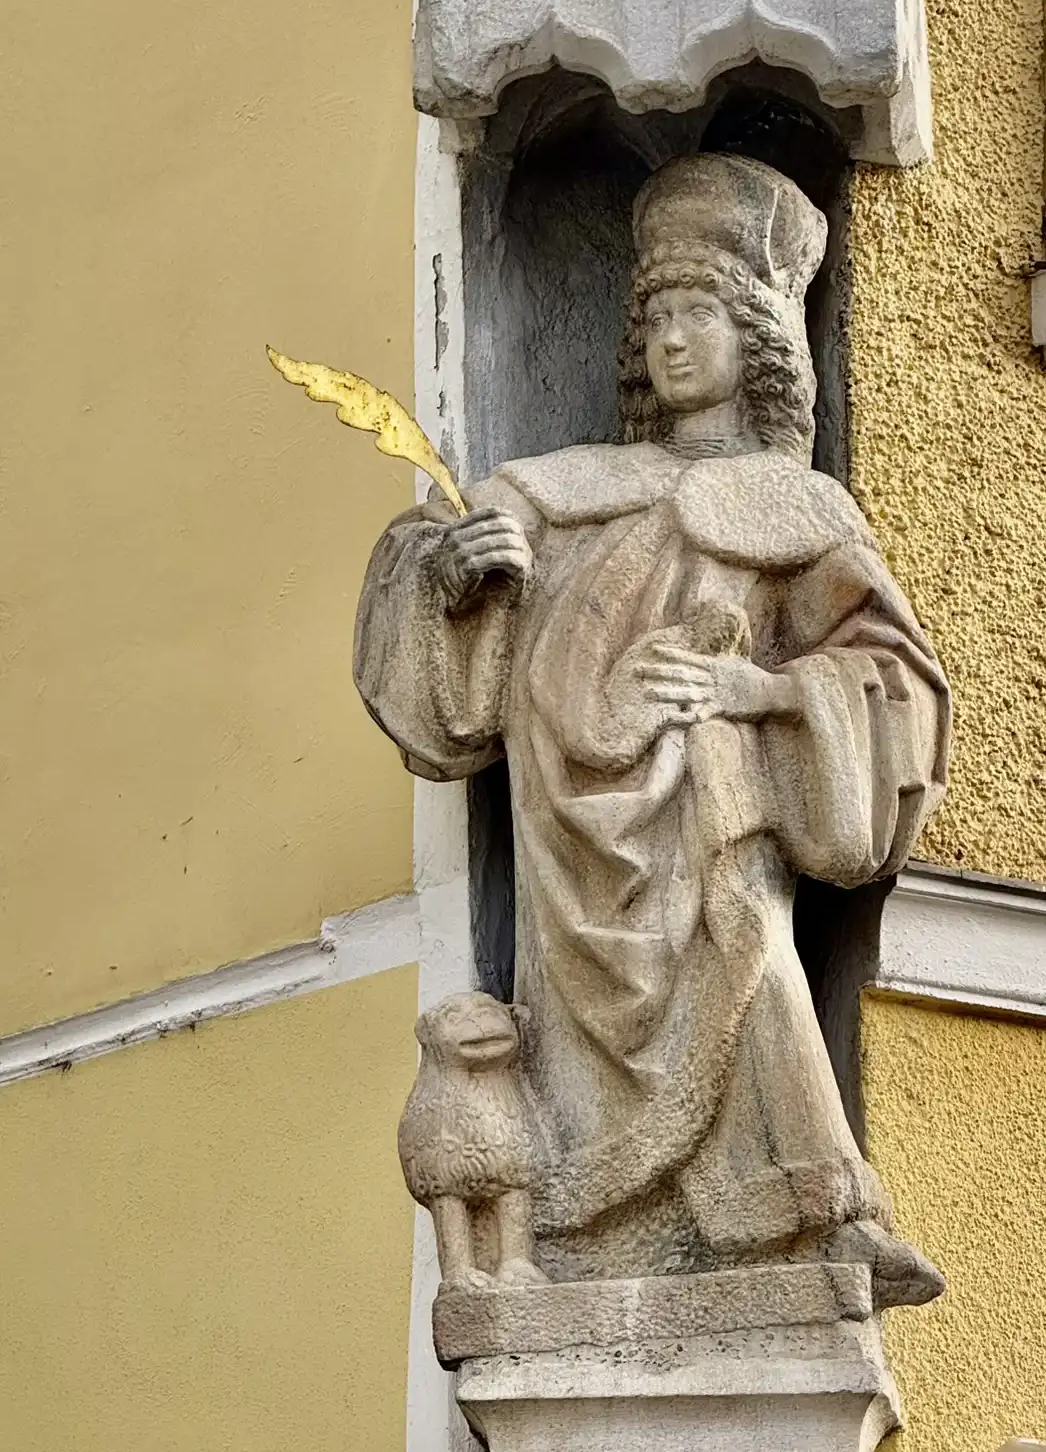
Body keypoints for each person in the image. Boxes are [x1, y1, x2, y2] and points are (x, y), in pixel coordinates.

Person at [355, 153, 950, 1295]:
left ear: (759, 339)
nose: (675, 340)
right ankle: (584, 1228)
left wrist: (763, 694)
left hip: (718, 805)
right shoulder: (563, 486)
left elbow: (891, 677)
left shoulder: (799, 507)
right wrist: (458, 575)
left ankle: (814, 1211)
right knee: (614, 1026)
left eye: (703, 315)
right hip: (574, 840)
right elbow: (452, 681)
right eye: (659, 317)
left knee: (758, 958)